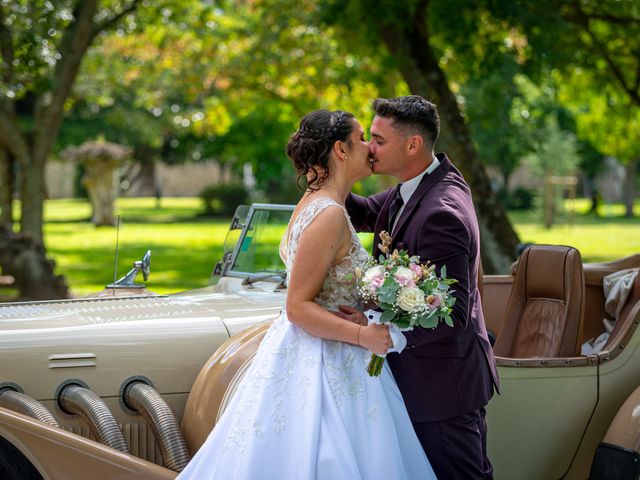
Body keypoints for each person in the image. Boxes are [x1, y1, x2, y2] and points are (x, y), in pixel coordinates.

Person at [176, 109, 436, 479]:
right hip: (323, 359)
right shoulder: (327, 213)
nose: (369, 147)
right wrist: (365, 334)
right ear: (340, 150)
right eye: (362, 138)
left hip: (328, 349)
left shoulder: (321, 204)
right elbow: (297, 307)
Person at [341, 95, 500, 479]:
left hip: (444, 388)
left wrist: (379, 334)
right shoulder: (416, 184)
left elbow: (453, 315)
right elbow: (363, 212)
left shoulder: (441, 212)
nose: (369, 148)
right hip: (425, 381)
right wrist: (330, 173)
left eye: (378, 140)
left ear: (413, 144)